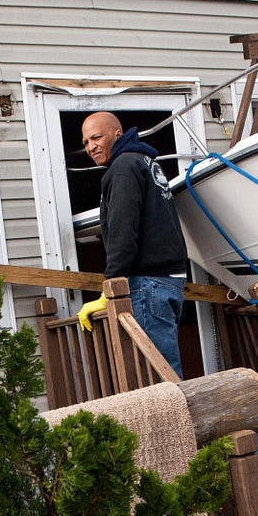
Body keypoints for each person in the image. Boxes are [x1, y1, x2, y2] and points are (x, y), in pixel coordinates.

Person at [77, 111, 187, 377]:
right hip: (168, 281)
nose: (91, 146)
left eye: (96, 137)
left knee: (157, 374)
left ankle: (175, 421)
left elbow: (123, 231)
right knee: (164, 368)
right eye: (85, 142)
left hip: (148, 284)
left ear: (118, 134)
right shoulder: (145, 163)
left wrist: (109, 288)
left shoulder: (124, 168)